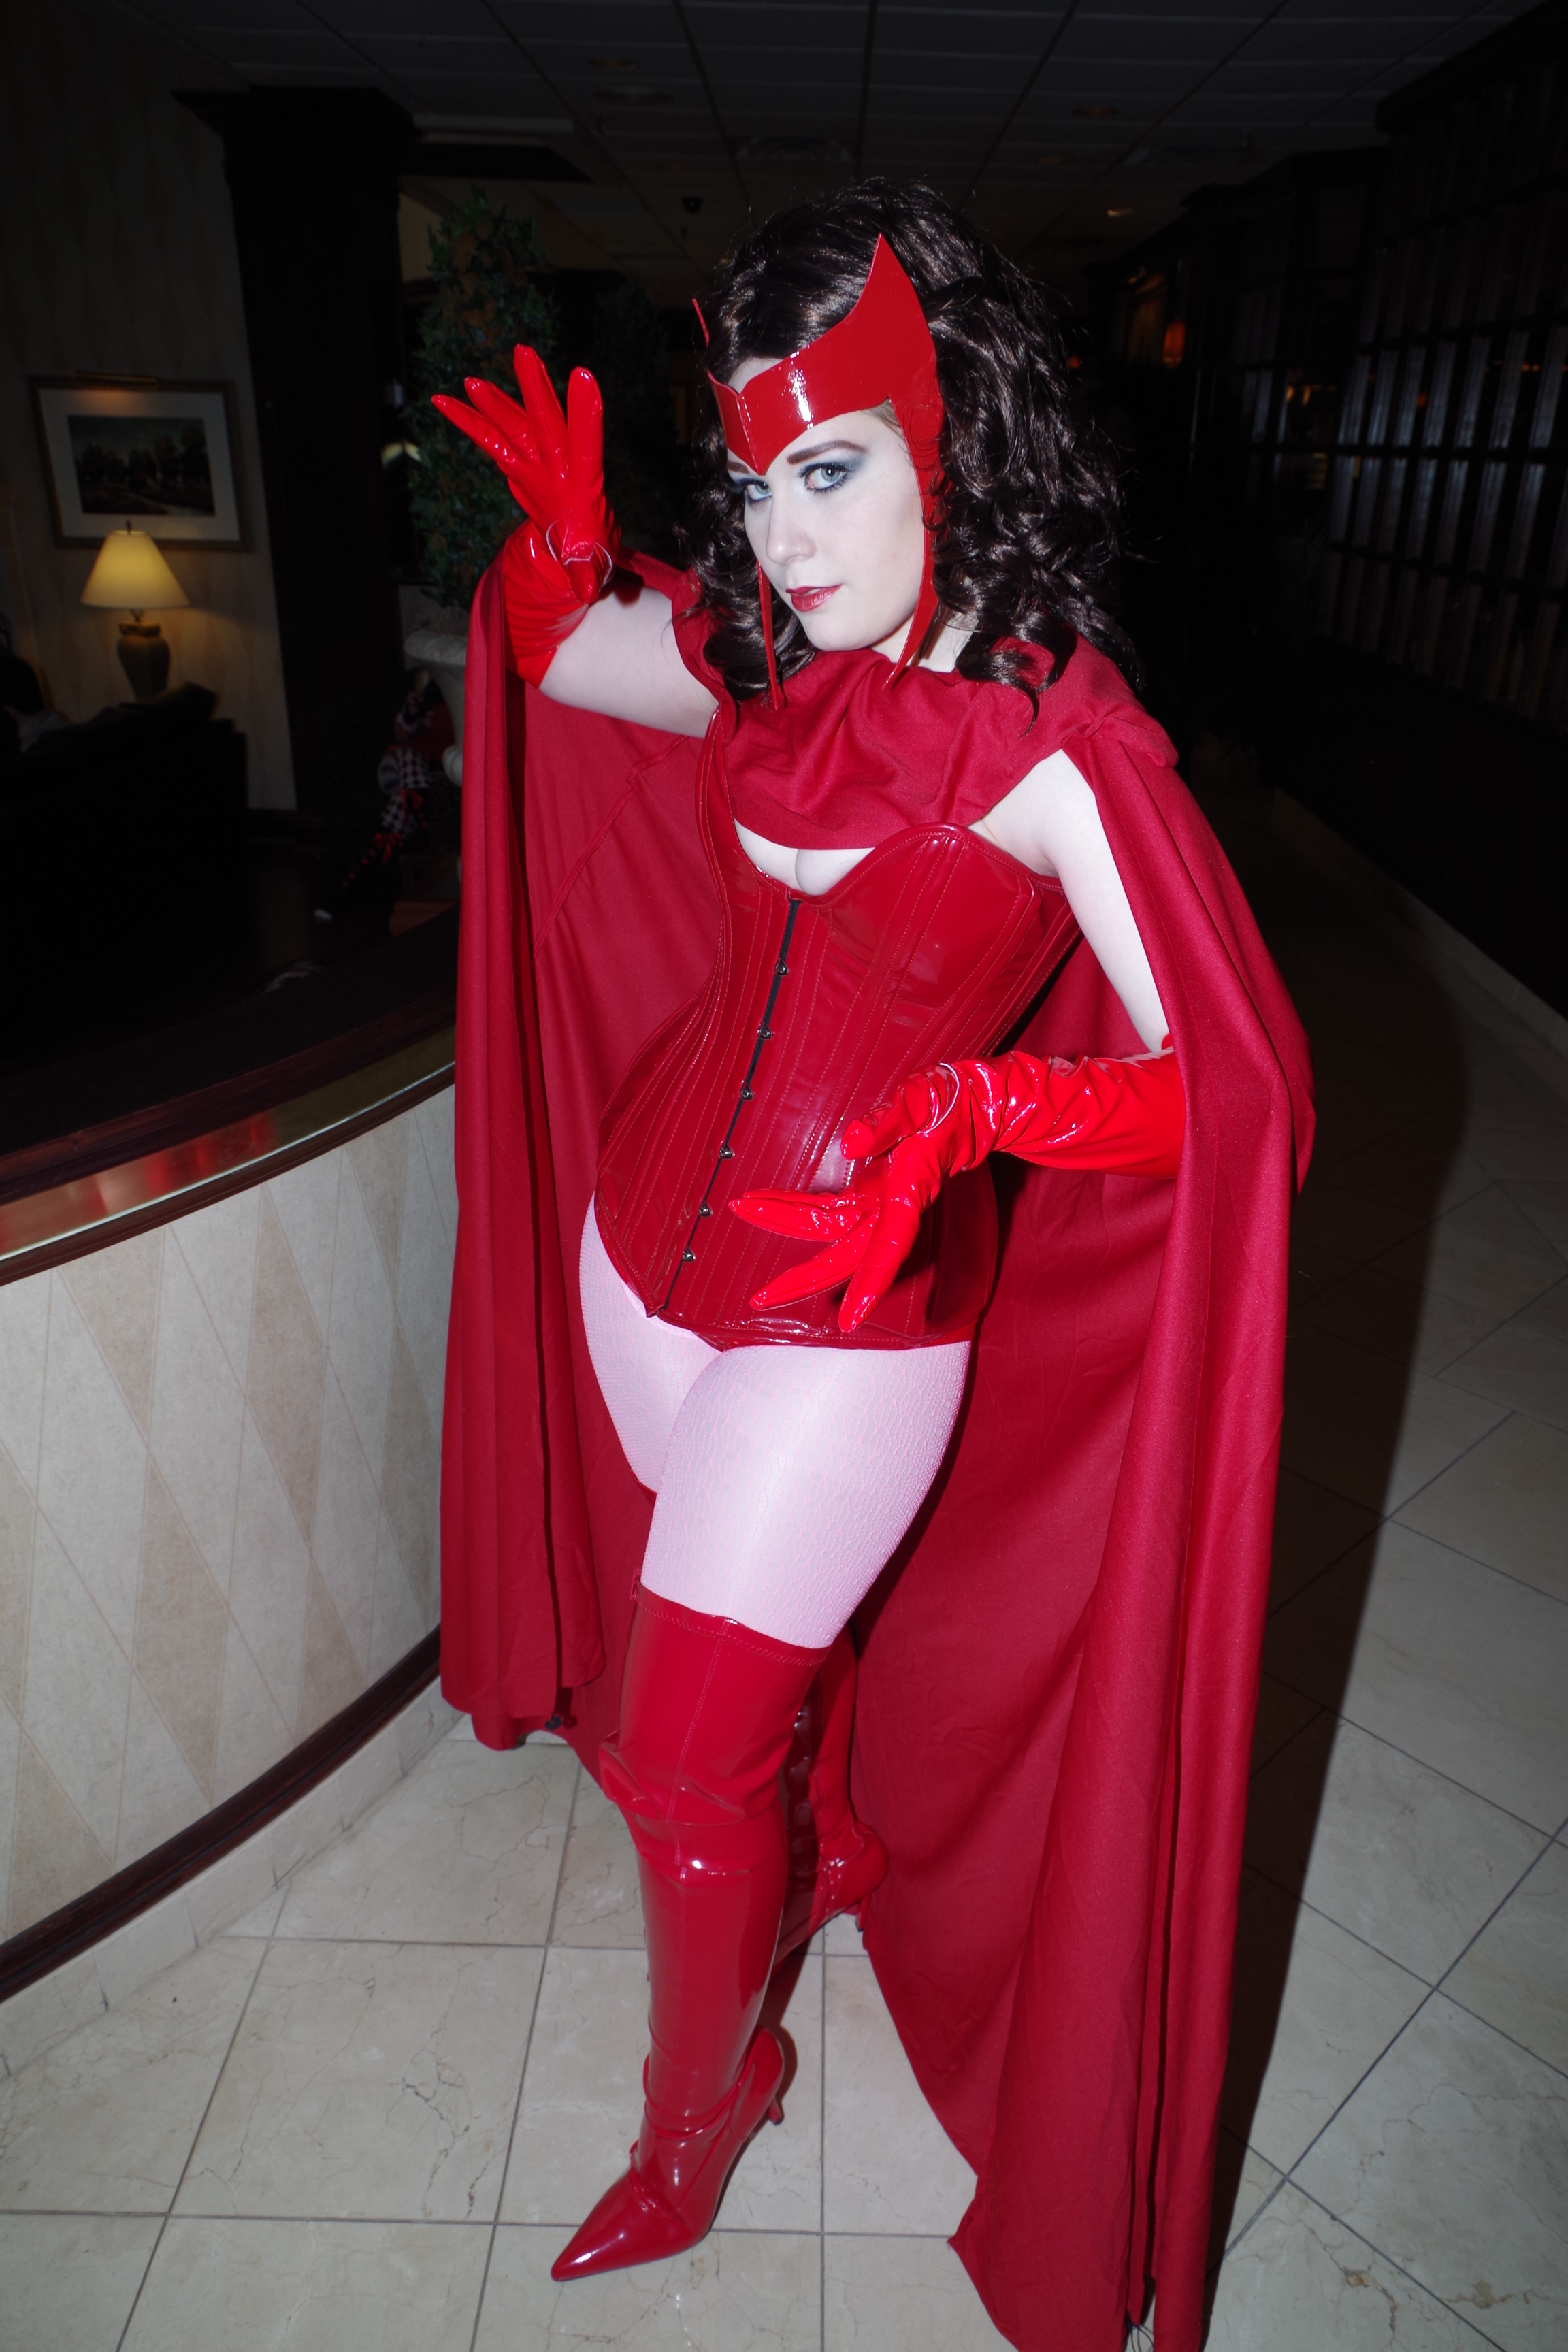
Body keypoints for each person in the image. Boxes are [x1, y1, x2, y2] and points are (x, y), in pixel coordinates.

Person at [435, 183, 1312, 2352]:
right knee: (740, 1696)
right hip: (636, 1257)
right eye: (754, 481)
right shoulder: (766, 659)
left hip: (849, 1324)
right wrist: (559, 548)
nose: (787, 535)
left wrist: (978, 1112)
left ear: (954, 430)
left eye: (828, 468)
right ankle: (816, 1850)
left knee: (673, 1761)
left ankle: (702, 2112)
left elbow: (1236, 1087)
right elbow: (561, 658)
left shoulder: (1052, 742)